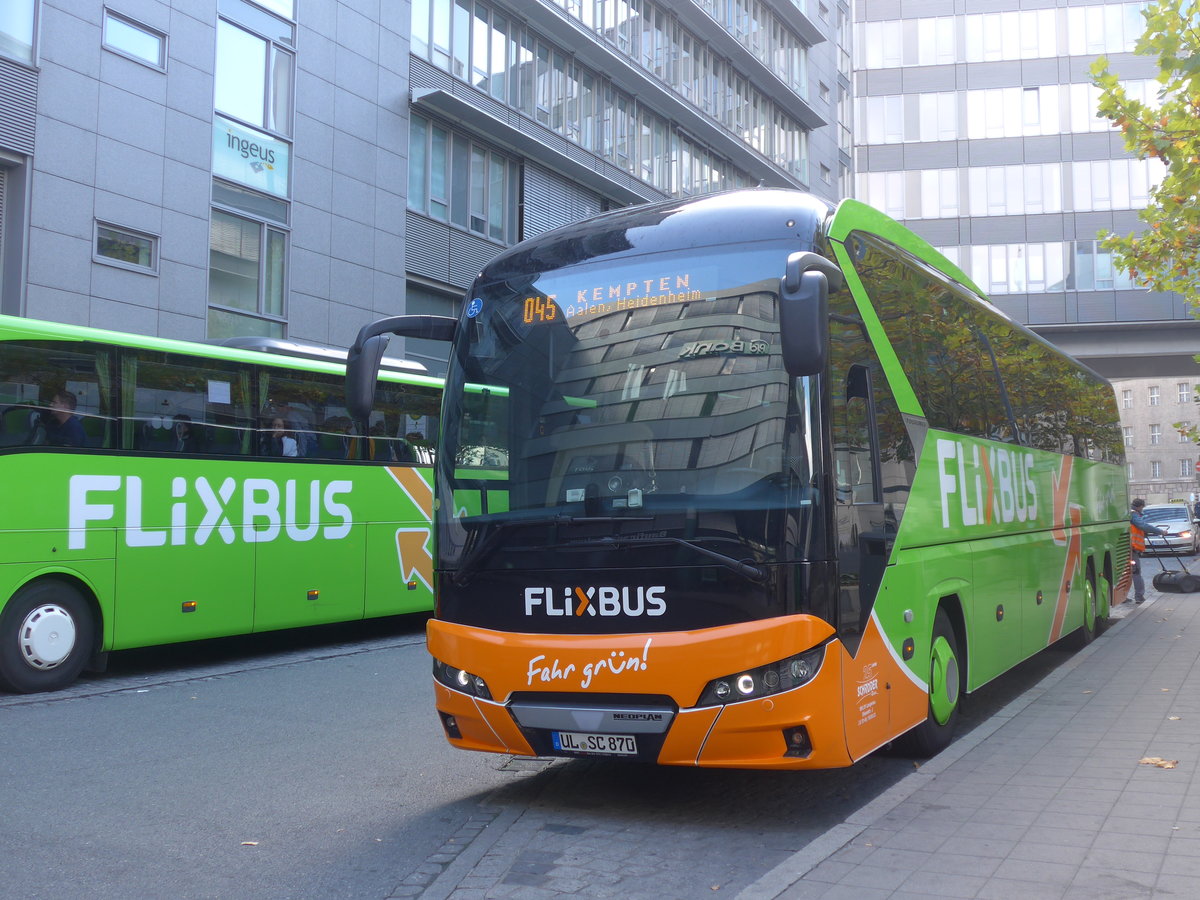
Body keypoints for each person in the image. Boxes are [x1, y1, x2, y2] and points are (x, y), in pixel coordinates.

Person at [1130, 498, 1169, 604]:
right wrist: (1160, 531)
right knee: (1136, 572)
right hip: (1132, 549)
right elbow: (1143, 525)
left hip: (1127, 548)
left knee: (1126, 573)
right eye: (1142, 507)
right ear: (1140, 506)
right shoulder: (1134, 514)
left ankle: (1124, 597)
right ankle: (1139, 596)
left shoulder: (1128, 513)